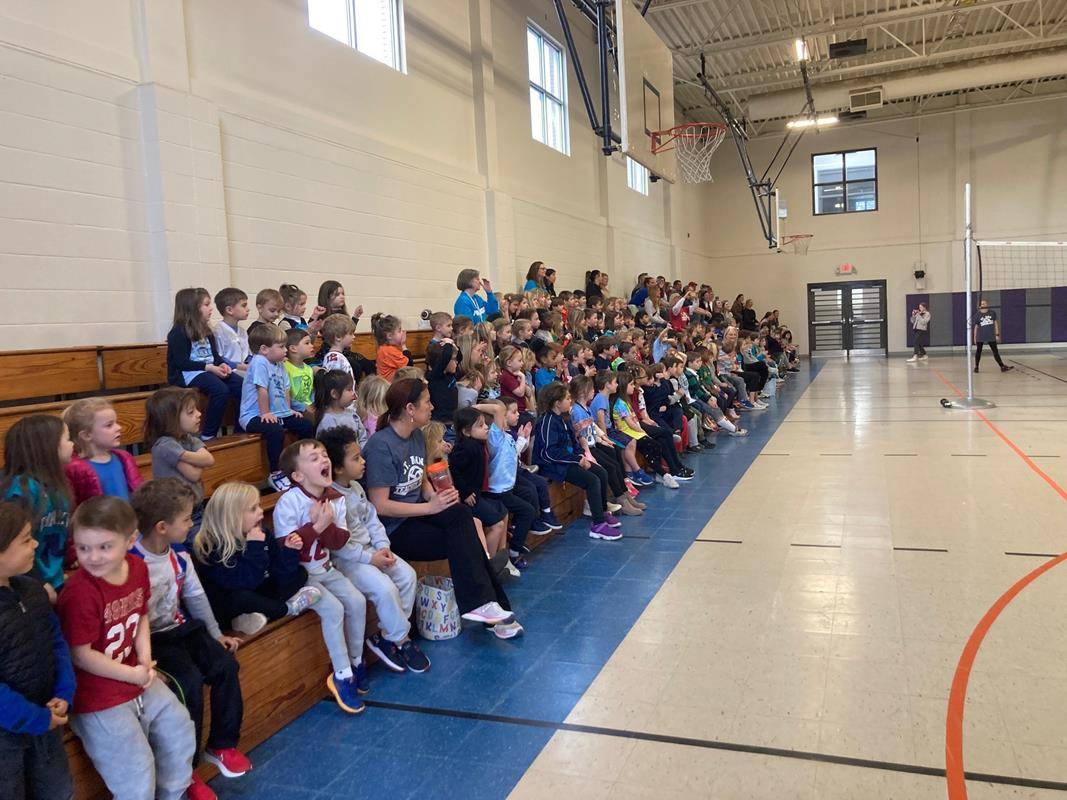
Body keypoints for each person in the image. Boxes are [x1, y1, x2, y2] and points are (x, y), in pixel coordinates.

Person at [57, 497, 212, 800]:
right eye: (84, 548)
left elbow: (140, 614)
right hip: (98, 695)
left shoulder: (138, 568)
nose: (93, 557)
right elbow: (81, 654)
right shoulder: (79, 594)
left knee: (179, 729)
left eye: (104, 547)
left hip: (134, 675)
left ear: (130, 540)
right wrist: (133, 674)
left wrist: (144, 658)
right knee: (137, 773)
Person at [364, 378, 521, 638]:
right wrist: (430, 508)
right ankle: (491, 609)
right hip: (395, 529)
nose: (433, 406)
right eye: (426, 402)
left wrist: (437, 497)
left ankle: (487, 607)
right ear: (410, 409)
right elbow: (380, 505)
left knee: (462, 516)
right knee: (465, 539)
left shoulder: (415, 435)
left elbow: (422, 479)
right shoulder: (381, 446)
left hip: (419, 516)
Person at [130, 479, 250, 779]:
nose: (190, 524)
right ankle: (187, 770)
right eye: (185, 519)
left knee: (225, 666)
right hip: (154, 641)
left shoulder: (179, 556)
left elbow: (196, 598)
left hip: (181, 630)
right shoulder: (132, 562)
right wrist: (140, 661)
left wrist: (215, 634)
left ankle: (221, 745)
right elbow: (131, 617)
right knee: (189, 685)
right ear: (161, 527)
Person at [318, 427, 428, 674]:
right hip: (349, 561)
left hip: (372, 551)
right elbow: (341, 545)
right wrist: (370, 558)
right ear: (337, 468)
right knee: (385, 588)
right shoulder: (332, 499)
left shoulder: (356, 488)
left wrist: (383, 547)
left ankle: (387, 637)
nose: (363, 461)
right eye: (356, 458)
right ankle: (402, 640)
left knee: (407, 576)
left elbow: (372, 520)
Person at [273, 440, 370, 714]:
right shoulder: (288, 502)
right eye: (313, 458)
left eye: (324, 454)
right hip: (301, 577)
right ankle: (342, 675)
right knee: (334, 609)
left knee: (357, 601)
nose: (323, 460)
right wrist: (316, 526)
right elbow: (286, 549)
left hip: (326, 568)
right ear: (298, 475)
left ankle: (356, 661)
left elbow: (340, 540)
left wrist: (323, 527)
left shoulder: (334, 498)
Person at [0, 501, 75, 800]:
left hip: (47, 716)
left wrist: (64, 691)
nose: (35, 544)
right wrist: (34, 718)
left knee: (58, 790)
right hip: (8, 736)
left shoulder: (32, 589)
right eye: (25, 539)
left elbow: (56, 643)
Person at [193, 482, 320, 636]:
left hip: (259, 590)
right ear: (232, 516)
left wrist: (289, 552)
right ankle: (285, 609)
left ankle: (258, 615)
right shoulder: (213, 547)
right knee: (242, 598)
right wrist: (255, 547)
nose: (261, 512)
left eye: (259, 505)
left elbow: (279, 576)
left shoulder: (262, 533)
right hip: (234, 601)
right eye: (253, 509)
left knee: (300, 572)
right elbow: (246, 582)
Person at [532, 382, 621, 540]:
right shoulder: (546, 422)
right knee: (592, 480)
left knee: (601, 472)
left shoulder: (563, 418)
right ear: (557, 403)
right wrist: (575, 460)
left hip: (568, 460)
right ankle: (598, 525)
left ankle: (601, 511)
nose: (570, 401)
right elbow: (548, 453)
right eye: (567, 398)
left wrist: (581, 455)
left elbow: (574, 441)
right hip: (554, 465)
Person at [0, 416, 74, 599]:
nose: (73, 444)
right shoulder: (21, 490)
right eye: (67, 438)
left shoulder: (57, 484)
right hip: (30, 585)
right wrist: (38, 584)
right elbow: (12, 544)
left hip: (54, 579)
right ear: (48, 447)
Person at [238, 323, 316, 490]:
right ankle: (275, 473)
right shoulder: (259, 362)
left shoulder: (280, 364)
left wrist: (289, 411)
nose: (285, 350)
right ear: (264, 349)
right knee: (275, 430)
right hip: (253, 415)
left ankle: (304, 463)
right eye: (281, 347)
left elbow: (286, 390)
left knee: (305, 425)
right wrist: (265, 413)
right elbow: (262, 389)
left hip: (278, 413)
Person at [166, 287, 242, 441]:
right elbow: (182, 363)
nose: (211, 308)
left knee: (243, 385)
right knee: (220, 389)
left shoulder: (207, 331)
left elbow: (215, 357)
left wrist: (223, 365)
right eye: (206, 305)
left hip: (208, 370)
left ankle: (240, 428)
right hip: (188, 374)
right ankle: (208, 434)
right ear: (193, 308)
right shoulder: (178, 333)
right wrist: (208, 368)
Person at [145, 387, 215, 537]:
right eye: (191, 412)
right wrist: (197, 459)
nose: (199, 414)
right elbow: (194, 474)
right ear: (171, 420)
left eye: (196, 409)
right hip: (176, 514)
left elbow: (209, 459)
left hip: (196, 507)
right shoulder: (164, 445)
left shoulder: (188, 439)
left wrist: (185, 456)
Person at [62, 398, 143, 507]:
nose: (119, 427)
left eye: (116, 423)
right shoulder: (75, 468)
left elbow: (136, 490)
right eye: (109, 425)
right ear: (86, 435)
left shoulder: (124, 458)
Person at [314, 369, 370, 447]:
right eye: (349, 390)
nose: (353, 393)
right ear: (334, 394)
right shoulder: (327, 422)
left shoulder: (352, 414)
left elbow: (363, 438)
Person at [212, 287, 251, 373]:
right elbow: (219, 358)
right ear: (229, 310)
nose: (248, 309)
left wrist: (250, 363)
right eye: (243, 305)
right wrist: (240, 366)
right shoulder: (218, 332)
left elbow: (248, 354)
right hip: (229, 371)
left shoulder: (243, 331)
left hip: (245, 369)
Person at [973, 298, 1013, 373]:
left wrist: (997, 334)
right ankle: (976, 367)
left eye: (984, 303)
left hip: (990, 336)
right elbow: (976, 327)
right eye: (981, 304)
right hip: (980, 336)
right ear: (979, 305)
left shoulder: (992, 313)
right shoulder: (977, 315)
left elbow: (995, 323)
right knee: (978, 351)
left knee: (995, 352)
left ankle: (1002, 367)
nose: (983, 305)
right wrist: (974, 337)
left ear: (987, 304)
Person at [284, 328, 316, 414]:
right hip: (294, 410)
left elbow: (311, 390)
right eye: (307, 343)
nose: (312, 345)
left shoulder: (308, 369)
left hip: (309, 408)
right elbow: (285, 394)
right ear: (293, 348)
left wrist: (313, 404)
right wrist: (302, 407)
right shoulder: (284, 368)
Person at [371, 313, 412, 381]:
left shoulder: (384, 349)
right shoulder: (388, 351)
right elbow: (409, 367)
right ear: (389, 336)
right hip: (389, 388)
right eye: (399, 331)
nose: (402, 332)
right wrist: (404, 345)